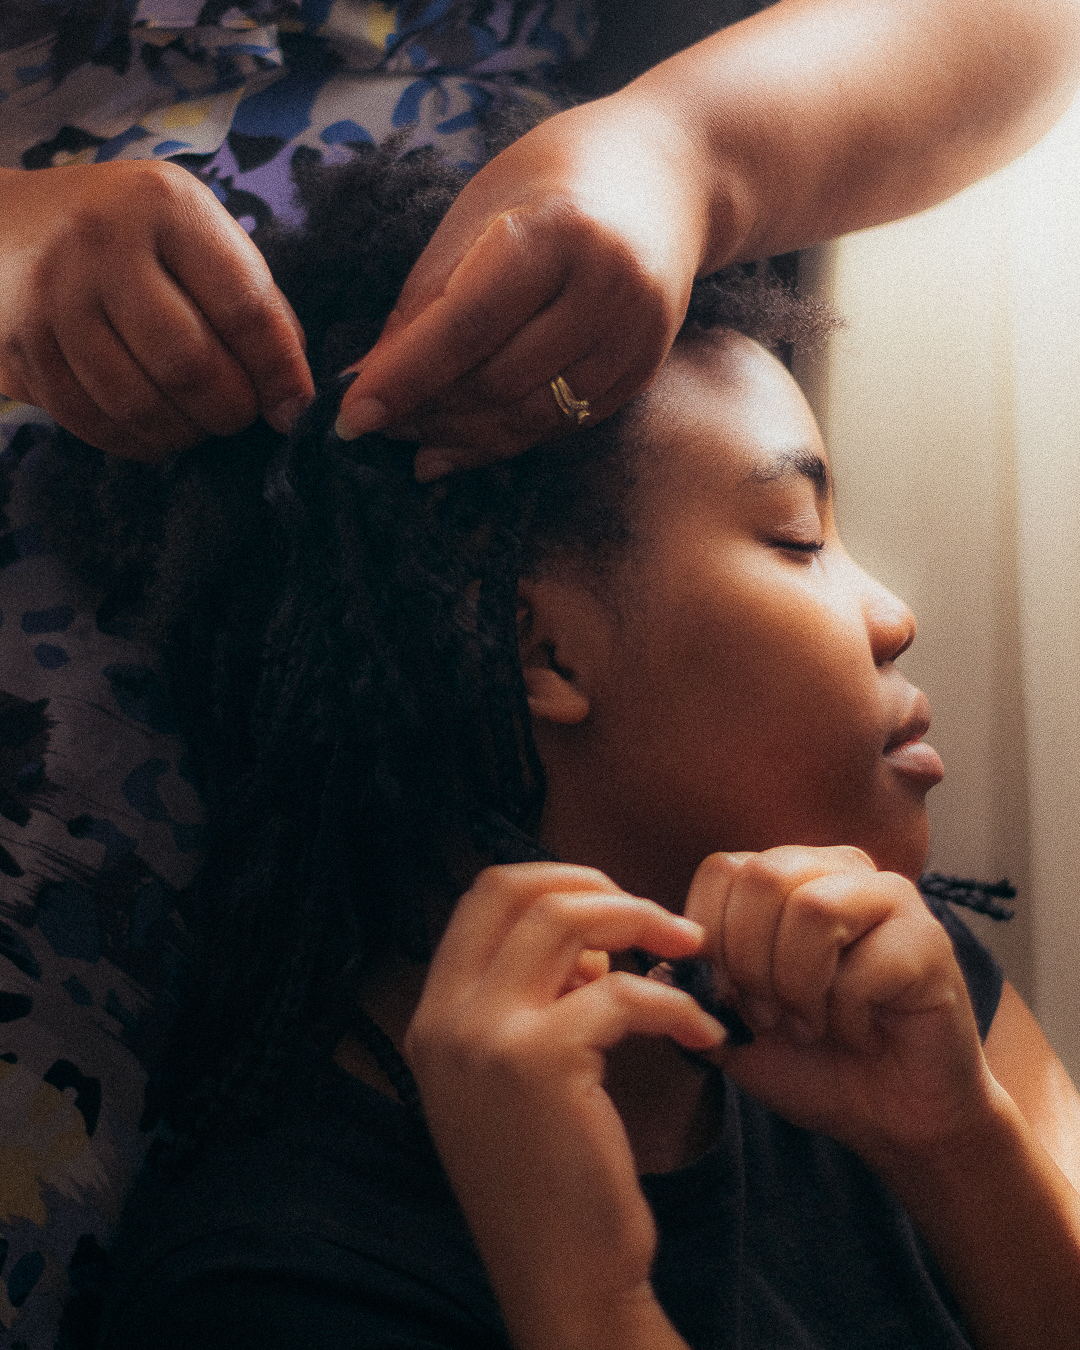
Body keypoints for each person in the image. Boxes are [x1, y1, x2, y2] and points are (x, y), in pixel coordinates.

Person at [1, 2, 1079, 1344]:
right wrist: (586, 1296)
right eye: (798, 537)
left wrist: (968, 1151)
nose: (894, 614)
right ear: (536, 646)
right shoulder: (284, 1276)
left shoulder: (911, 1003)